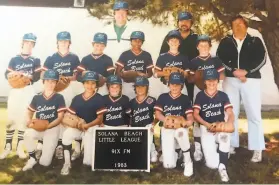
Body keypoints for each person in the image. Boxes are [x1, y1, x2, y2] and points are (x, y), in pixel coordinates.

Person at [217, 15, 266, 162]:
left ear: (246, 25)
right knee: (231, 112)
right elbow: (220, 58)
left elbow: (262, 59)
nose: (237, 26)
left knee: (254, 114)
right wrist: (233, 71)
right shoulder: (226, 41)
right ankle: (231, 145)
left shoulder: (255, 41)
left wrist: (246, 72)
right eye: (234, 24)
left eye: (240, 24)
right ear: (231, 27)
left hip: (250, 80)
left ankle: (257, 148)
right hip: (230, 80)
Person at [0, 33, 41, 159]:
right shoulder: (14, 59)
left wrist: (27, 78)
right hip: (15, 90)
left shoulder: (35, 60)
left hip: (28, 90)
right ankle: (7, 148)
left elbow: (37, 76)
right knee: (11, 119)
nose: (29, 45)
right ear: (22, 43)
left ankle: (19, 147)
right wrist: (13, 76)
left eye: (31, 43)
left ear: (33, 45)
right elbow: (6, 73)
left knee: (24, 120)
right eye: (27, 42)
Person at [42, 31, 80, 160]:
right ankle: (56, 145)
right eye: (61, 41)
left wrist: (65, 78)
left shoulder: (74, 57)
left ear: (69, 43)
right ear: (57, 42)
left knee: (66, 117)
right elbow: (43, 75)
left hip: (68, 89)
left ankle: (65, 145)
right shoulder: (51, 58)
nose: (63, 43)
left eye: (66, 41)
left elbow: (76, 75)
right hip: (55, 90)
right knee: (55, 116)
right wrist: (56, 80)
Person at [61, 71, 106, 175]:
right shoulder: (77, 98)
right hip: (79, 127)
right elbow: (70, 115)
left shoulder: (99, 98)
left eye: (93, 83)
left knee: (87, 163)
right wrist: (77, 123)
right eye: (87, 83)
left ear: (96, 85)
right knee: (66, 134)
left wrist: (87, 125)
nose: (90, 86)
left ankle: (86, 156)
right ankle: (67, 163)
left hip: (92, 127)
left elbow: (99, 119)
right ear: (83, 83)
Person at [188, 34, 225, 161]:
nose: (204, 47)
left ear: (210, 46)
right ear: (197, 46)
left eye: (206, 44)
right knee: (197, 120)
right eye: (201, 44)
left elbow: (222, 76)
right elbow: (191, 79)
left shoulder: (216, 60)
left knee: (217, 117)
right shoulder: (193, 62)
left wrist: (211, 85)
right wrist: (197, 78)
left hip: (215, 91)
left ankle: (218, 144)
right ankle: (198, 148)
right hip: (199, 93)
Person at [193, 68, 234, 182]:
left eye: (214, 80)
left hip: (219, 126)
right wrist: (207, 124)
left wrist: (229, 122)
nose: (211, 83)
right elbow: (196, 114)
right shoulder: (200, 95)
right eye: (208, 80)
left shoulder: (223, 95)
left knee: (225, 136)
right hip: (206, 127)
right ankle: (219, 150)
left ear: (218, 81)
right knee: (211, 164)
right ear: (205, 81)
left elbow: (230, 112)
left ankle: (223, 167)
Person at [22, 69, 66, 171]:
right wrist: (29, 121)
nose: (50, 84)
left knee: (44, 163)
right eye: (47, 81)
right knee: (27, 134)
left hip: (52, 128)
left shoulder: (59, 97)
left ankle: (48, 149)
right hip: (39, 127)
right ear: (43, 82)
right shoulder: (37, 97)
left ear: (56, 83)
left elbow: (60, 118)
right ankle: (32, 158)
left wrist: (47, 127)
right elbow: (29, 111)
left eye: (53, 81)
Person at [154, 72, 194, 177]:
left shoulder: (185, 98)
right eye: (172, 84)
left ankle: (188, 161)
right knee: (168, 165)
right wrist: (166, 120)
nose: (175, 87)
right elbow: (158, 114)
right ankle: (177, 151)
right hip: (167, 128)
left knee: (181, 133)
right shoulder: (163, 97)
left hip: (179, 128)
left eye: (177, 84)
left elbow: (189, 115)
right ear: (168, 84)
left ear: (182, 85)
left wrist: (188, 122)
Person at [160, 11, 199, 102]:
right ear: (178, 22)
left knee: (189, 102)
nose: (184, 23)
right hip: (173, 74)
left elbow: (200, 58)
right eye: (181, 21)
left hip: (190, 76)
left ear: (191, 23)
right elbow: (162, 55)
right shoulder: (171, 36)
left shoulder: (196, 38)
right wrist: (165, 74)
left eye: (187, 21)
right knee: (171, 102)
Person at [127, 76, 158, 162]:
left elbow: (158, 115)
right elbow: (129, 116)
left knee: (148, 130)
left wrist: (153, 124)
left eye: (142, 86)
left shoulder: (152, 100)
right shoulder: (132, 102)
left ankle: (152, 151)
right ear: (135, 88)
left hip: (147, 127)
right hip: (135, 127)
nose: (140, 89)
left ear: (147, 87)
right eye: (137, 86)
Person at [116, 31, 154, 99]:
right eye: (134, 40)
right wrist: (126, 74)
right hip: (128, 83)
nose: (137, 42)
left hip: (142, 84)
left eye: (139, 41)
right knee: (128, 103)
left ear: (142, 42)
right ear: (131, 41)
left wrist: (143, 75)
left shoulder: (147, 55)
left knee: (141, 104)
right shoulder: (125, 54)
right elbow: (117, 72)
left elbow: (150, 73)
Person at [154, 30, 189, 95]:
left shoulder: (184, 57)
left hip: (180, 86)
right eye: (171, 40)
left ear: (179, 42)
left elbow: (187, 74)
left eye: (176, 40)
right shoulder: (162, 57)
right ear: (168, 42)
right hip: (166, 86)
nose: (174, 42)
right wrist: (166, 73)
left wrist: (179, 72)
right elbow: (155, 74)